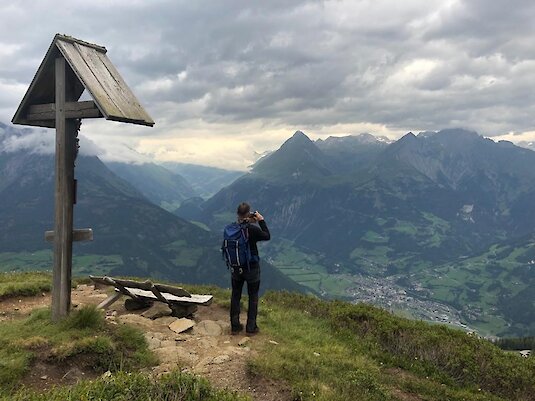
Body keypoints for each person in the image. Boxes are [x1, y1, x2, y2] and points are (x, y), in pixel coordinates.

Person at [229, 202, 270, 335]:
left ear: (237, 214)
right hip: (251, 268)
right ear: (248, 213)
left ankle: (235, 326)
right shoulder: (252, 229)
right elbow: (266, 235)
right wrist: (260, 220)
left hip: (236, 268)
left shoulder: (232, 228)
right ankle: (251, 328)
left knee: (236, 295)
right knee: (253, 297)